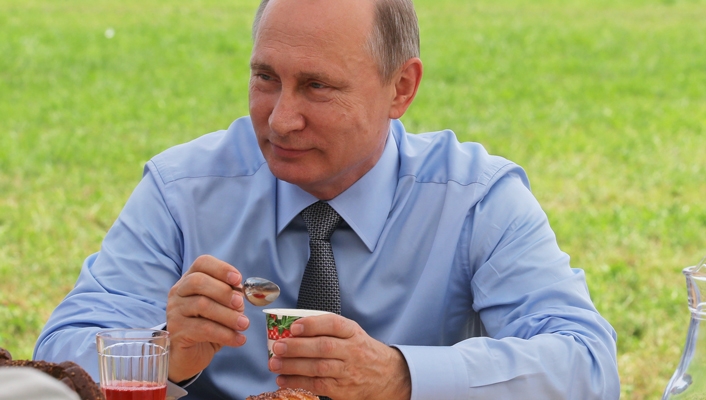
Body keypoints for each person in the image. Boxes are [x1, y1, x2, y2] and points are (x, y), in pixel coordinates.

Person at [34, 0, 620, 398]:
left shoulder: (473, 199)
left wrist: (401, 377)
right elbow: (57, 358)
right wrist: (162, 353)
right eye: (266, 78)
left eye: (317, 86)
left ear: (401, 88)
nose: (281, 119)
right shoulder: (183, 189)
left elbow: (587, 367)